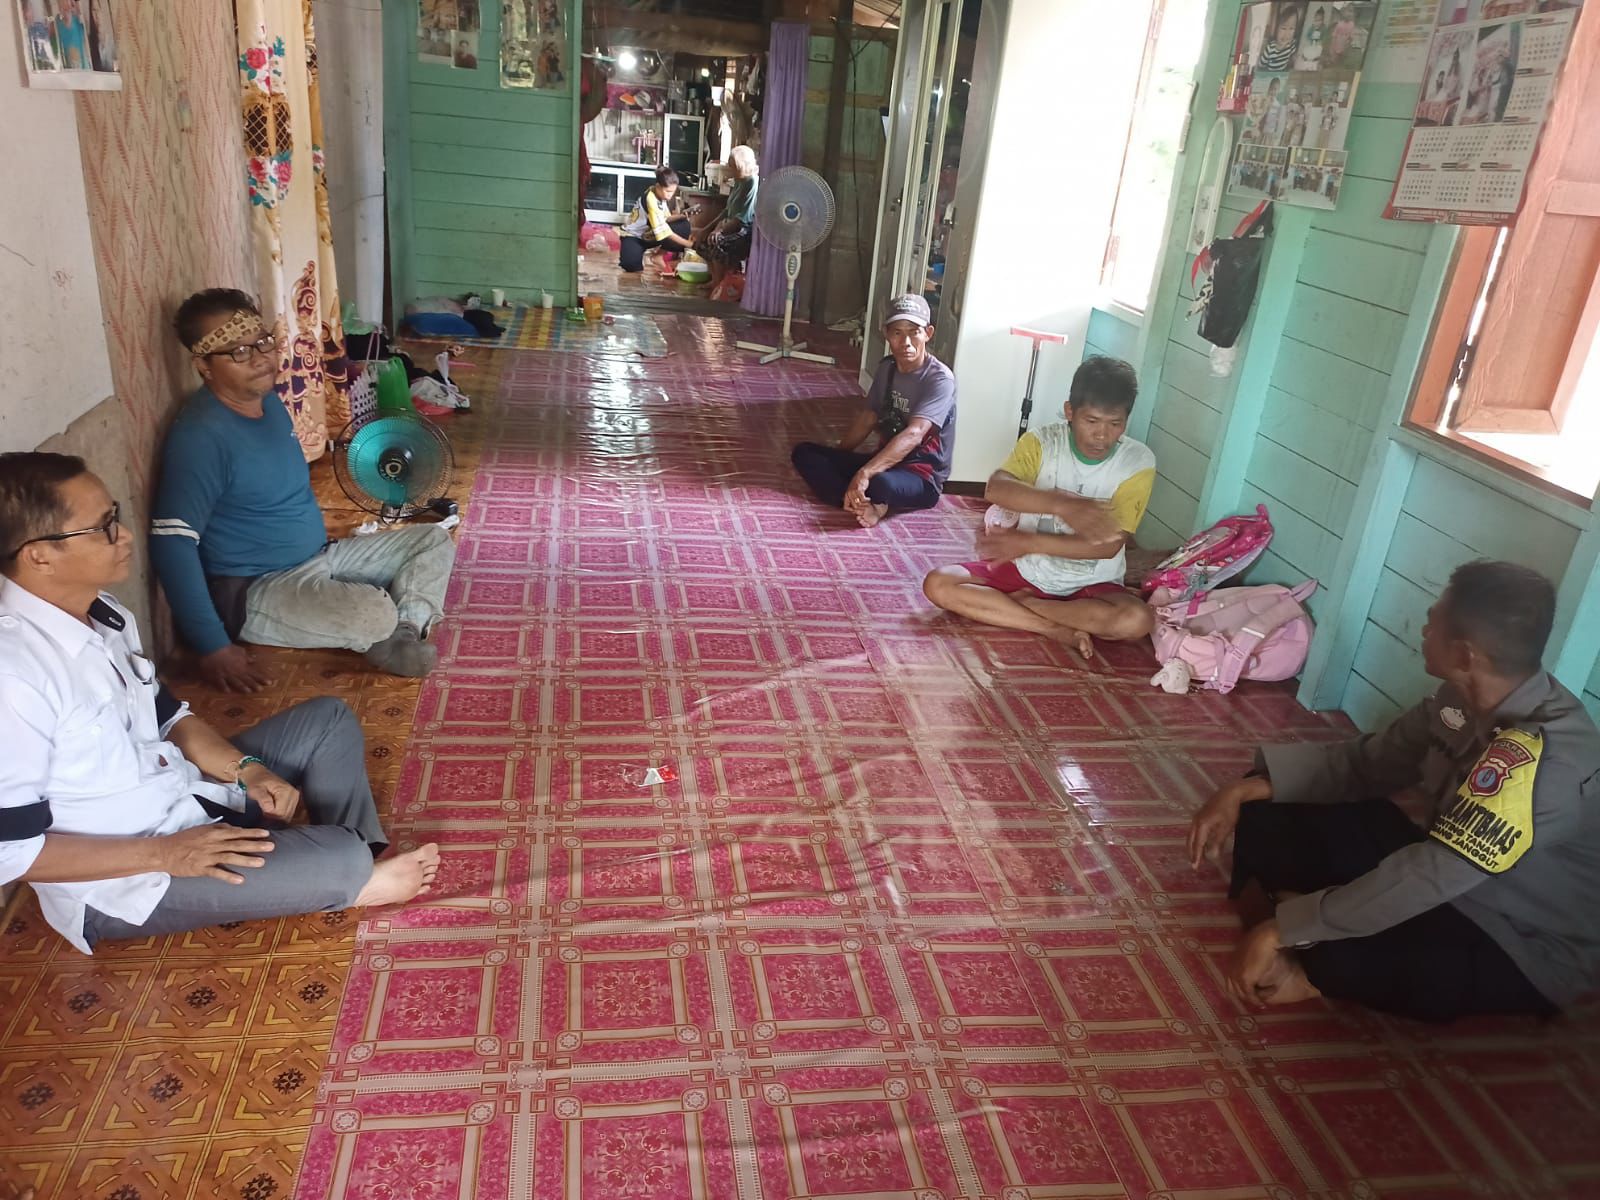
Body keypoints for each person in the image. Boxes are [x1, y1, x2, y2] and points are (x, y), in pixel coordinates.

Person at [0, 453, 441, 955]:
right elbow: (11, 853)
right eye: (103, 527)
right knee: (342, 859)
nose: (124, 536)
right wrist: (166, 853)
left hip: (186, 798)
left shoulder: (104, 614)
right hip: (132, 879)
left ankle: (351, 861)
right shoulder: (14, 676)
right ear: (39, 556)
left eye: (115, 516)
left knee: (328, 720)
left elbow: (168, 717)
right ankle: (346, 870)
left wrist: (249, 770)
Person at [1188, 561, 1600, 1023]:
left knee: (1372, 949)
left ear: (1465, 654)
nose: (1424, 628)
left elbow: (1431, 875)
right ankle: (1306, 932)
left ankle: (1306, 954)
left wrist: (1283, 929)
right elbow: (1368, 764)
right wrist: (1243, 789)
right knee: (1272, 799)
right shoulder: (1459, 697)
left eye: (1433, 620)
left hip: (1516, 938)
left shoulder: (1549, 758)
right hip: (1442, 876)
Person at [151, 289, 457, 691]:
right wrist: (213, 646)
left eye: (263, 342)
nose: (260, 358)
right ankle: (390, 623)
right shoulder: (201, 437)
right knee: (372, 612)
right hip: (258, 588)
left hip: (320, 554)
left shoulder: (269, 404)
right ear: (203, 365)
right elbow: (172, 544)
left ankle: (404, 631)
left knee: (433, 540)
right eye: (238, 351)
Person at [922, 356, 1156, 663]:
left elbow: (1109, 546)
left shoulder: (1137, 462)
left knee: (1136, 621)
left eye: (1115, 424)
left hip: (1093, 585)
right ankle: (1051, 627)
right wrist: (1062, 505)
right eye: (1091, 421)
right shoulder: (1043, 442)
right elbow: (997, 488)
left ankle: (1024, 606)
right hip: (1027, 571)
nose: (1102, 435)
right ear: (1070, 411)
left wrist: (1031, 542)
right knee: (938, 583)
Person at [790, 294, 957, 529]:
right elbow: (868, 418)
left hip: (920, 475)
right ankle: (860, 502)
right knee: (805, 453)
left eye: (914, 332)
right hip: (885, 462)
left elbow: (915, 434)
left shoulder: (940, 379)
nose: (906, 342)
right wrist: (837, 459)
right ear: (886, 334)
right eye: (897, 332)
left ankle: (869, 500)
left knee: (880, 484)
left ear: (928, 333)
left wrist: (864, 474)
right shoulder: (887, 368)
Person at [698, 144, 760, 293]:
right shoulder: (738, 181)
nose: (730, 169)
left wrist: (719, 231)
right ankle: (715, 279)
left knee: (717, 242)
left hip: (743, 230)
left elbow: (742, 218)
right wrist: (707, 228)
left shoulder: (752, 182)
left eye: (733, 166)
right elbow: (727, 211)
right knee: (700, 241)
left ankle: (719, 285)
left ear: (742, 166)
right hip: (729, 225)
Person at [619, 166, 694, 273]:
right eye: (667, 191)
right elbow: (664, 230)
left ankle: (658, 256)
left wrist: (683, 215)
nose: (670, 195)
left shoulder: (660, 195)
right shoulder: (651, 199)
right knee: (630, 265)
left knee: (683, 224)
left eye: (672, 192)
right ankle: (637, 252)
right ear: (658, 186)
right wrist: (689, 244)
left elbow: (665, 219)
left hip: (650, 235)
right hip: (634, 236)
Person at [1257, 4, 1301, 72]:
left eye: (1291, 28)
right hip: (1270, 74)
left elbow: (1294, 56)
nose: (1287, 34)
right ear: (1276, 29)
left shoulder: (1291, 44)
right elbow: (1261, 64)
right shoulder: (1270, 47)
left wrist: (1296, 59)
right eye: (1283, 28)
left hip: (1282, 73)